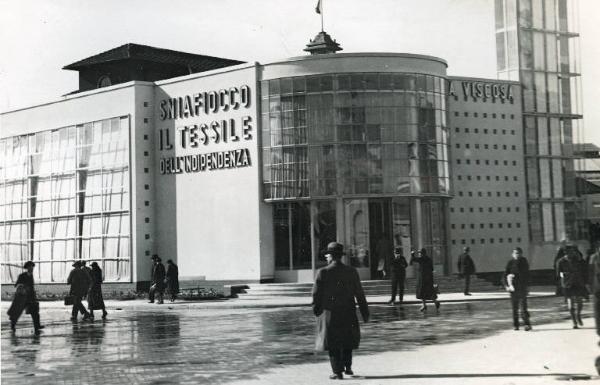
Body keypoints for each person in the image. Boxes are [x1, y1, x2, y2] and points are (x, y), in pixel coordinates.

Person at [312, 242, 369, 380]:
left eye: (327, 254)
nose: (326, 257)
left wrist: (316, 310)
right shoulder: (351, 271)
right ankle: (347, 366)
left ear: (331, 256)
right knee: (346, 338)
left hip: (330, 312)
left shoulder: (323, 272)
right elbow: (359, 294)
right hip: (348, 311)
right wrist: (364, 312)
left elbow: (316, 294)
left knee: (333, 341)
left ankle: (337, 371)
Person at [7, 261, 43, 334]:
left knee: (35, 312)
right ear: (27, 268)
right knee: (17, 312)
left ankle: (37, 326)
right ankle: (13, 325)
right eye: (30, 267)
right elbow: (17, 284)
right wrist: (24, 286)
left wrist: (34, 296)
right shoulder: (22, 275)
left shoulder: (31, 275)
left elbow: (32, 287)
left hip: (30, 297)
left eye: (32, 267)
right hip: (22, 297)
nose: (31, 268)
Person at [557, 247, 588, 328]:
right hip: (567, 284)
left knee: (580, 302)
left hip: (578, 282)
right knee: (570, 305)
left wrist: (580, 259)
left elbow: (584, 267)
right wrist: (563, 276)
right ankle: (574, 321)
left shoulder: (577, 259)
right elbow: (558, 273)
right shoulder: (560, 261)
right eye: (569, 253)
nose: (571, 254)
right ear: (565, 253)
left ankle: (578, 315)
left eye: (572, 252)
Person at [504, 247, 532, 331]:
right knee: (514, 308)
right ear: (512, 254)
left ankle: (526, 324)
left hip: (522, 287)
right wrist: (506, 286)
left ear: (521, 254)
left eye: (518, 253)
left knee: (523, 308)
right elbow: (505, 274)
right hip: (513, 289)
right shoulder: (510, 263)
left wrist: (528, 286)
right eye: (515, 253)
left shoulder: (524, 262)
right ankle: (516, 325)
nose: (517, 255)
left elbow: (527, 275)